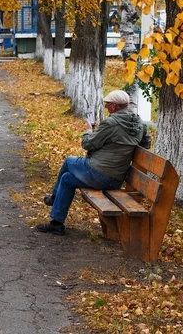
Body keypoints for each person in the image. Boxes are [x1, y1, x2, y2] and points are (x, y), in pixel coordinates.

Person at [36, 90, 151, 235]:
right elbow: (145, 144)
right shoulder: (139, 123)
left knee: (69, 161)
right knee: (66, 179)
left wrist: (89, 130)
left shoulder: (111, 123)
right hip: (116, 180)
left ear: (114, 106)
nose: (107, 108)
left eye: (108, 105)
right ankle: (56, 224)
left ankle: (53, 197)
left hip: (99, 174)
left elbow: (87, 144)